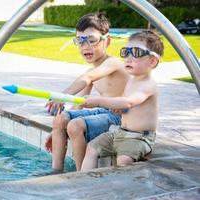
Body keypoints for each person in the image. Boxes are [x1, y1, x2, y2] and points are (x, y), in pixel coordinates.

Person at [44, 12, 129, 173]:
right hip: (105, 113)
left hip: (121, 117)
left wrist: (62, 96)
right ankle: (55, 172)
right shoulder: (93, 71)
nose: (85, 47)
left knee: (76, 126)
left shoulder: (113, 64)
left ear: (107, 41)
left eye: (92, 40)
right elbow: (78, 105)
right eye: (80, 41)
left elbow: (88, 77)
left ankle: (80, 175)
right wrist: (57, 131)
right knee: (61, 119)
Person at [81, 30, 164, 171]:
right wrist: (119, 110)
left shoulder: (148, 84)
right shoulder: (131, 81)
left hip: (140, 137)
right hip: (121, 132)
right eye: (126, 52)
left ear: (152, 61)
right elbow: (127, 107)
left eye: (136, 53)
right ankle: (84, 181)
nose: (128, 58)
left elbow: (128, 102)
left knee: (123, 160)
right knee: (91, 147)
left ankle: (121, 189)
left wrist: (99, 101)